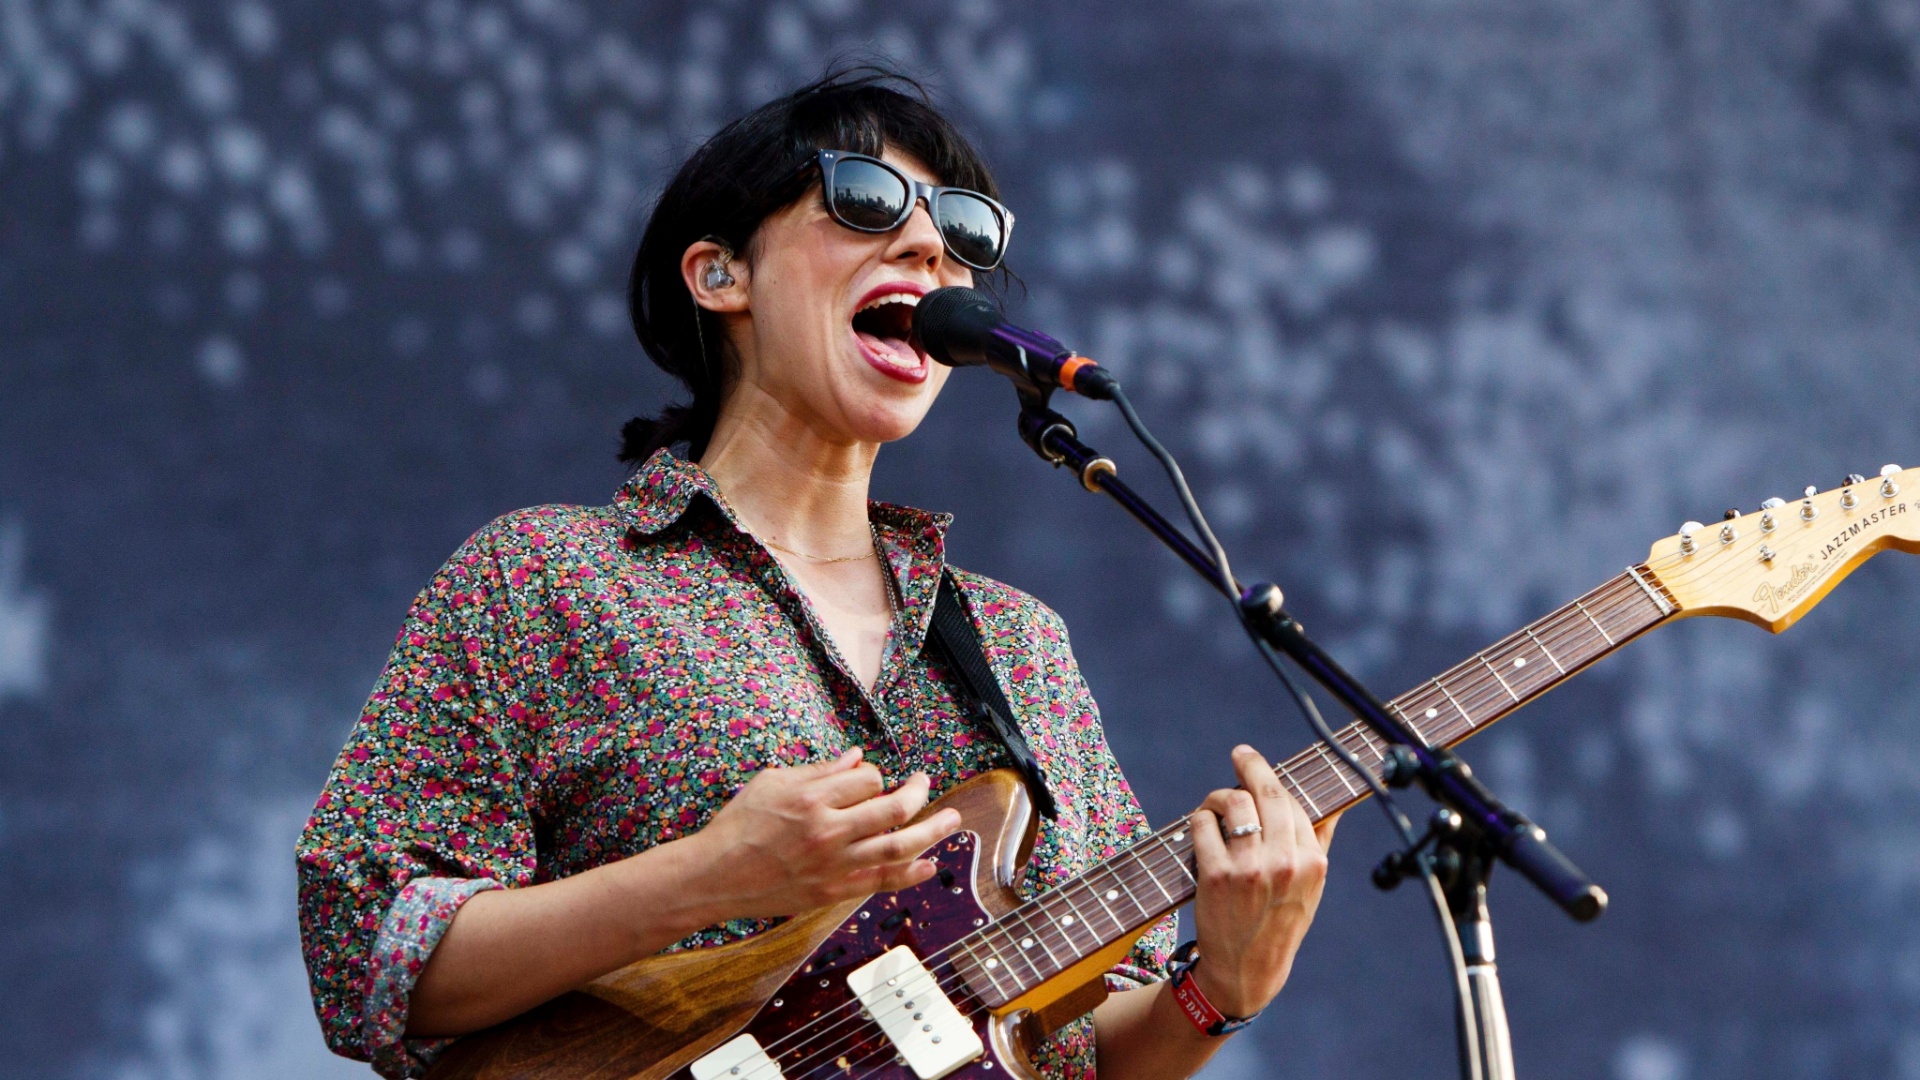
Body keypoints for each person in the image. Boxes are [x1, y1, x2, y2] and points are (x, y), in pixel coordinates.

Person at [296, 67, 1337, 1080]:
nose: (930, 246)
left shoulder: (1021, 645)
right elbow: (371, 953)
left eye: (964, 232)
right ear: (719, 274)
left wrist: (1220, 992)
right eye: (866, 199)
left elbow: (1078, 1051)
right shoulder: (547, 578)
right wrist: (704, 879)